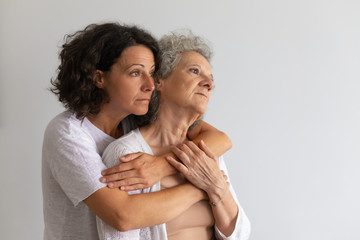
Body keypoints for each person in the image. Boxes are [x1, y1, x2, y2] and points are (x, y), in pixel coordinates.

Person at [42, 22, 232, 240]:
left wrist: (161, 166)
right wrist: (204, 187)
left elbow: (220, 139)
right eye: (135, 73)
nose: (150, 85)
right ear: (98, 78)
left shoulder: (136, 120)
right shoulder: (68, 133)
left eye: (151, 73)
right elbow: (123, 216)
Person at [97, 30, 250, 240]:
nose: (209, 84)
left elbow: (240, 234)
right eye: (195, 71)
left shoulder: (207, 150)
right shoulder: (127, 153)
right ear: (159, 81)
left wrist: (215, 188)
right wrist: (202, 187)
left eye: (211, 79)